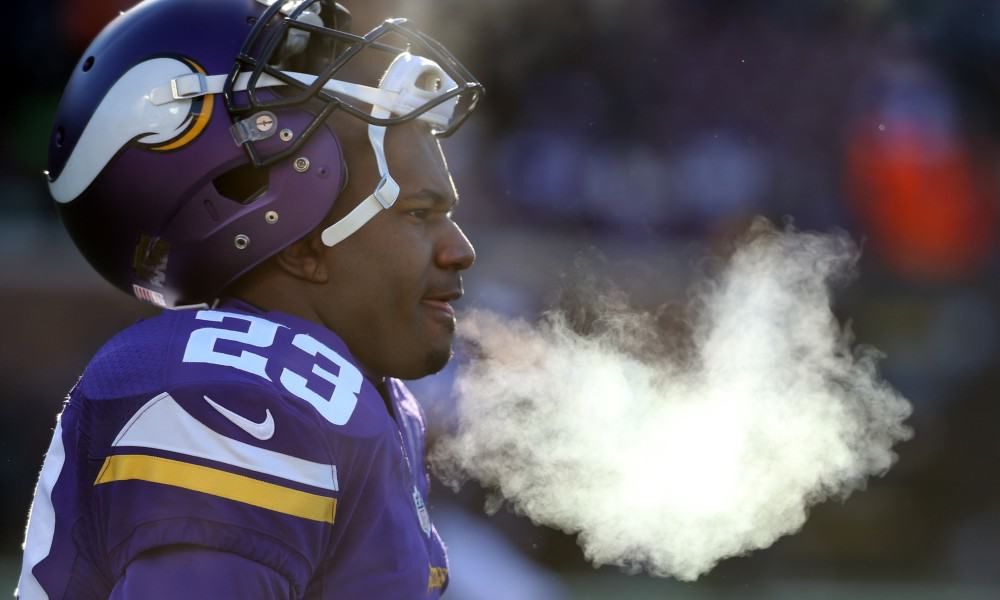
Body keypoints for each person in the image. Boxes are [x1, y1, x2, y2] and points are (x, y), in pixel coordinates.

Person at [18, 0, 482, 598]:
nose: (461, 249)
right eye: (420, 213)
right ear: (300, 242)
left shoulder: (356, 391)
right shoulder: (241, 393)